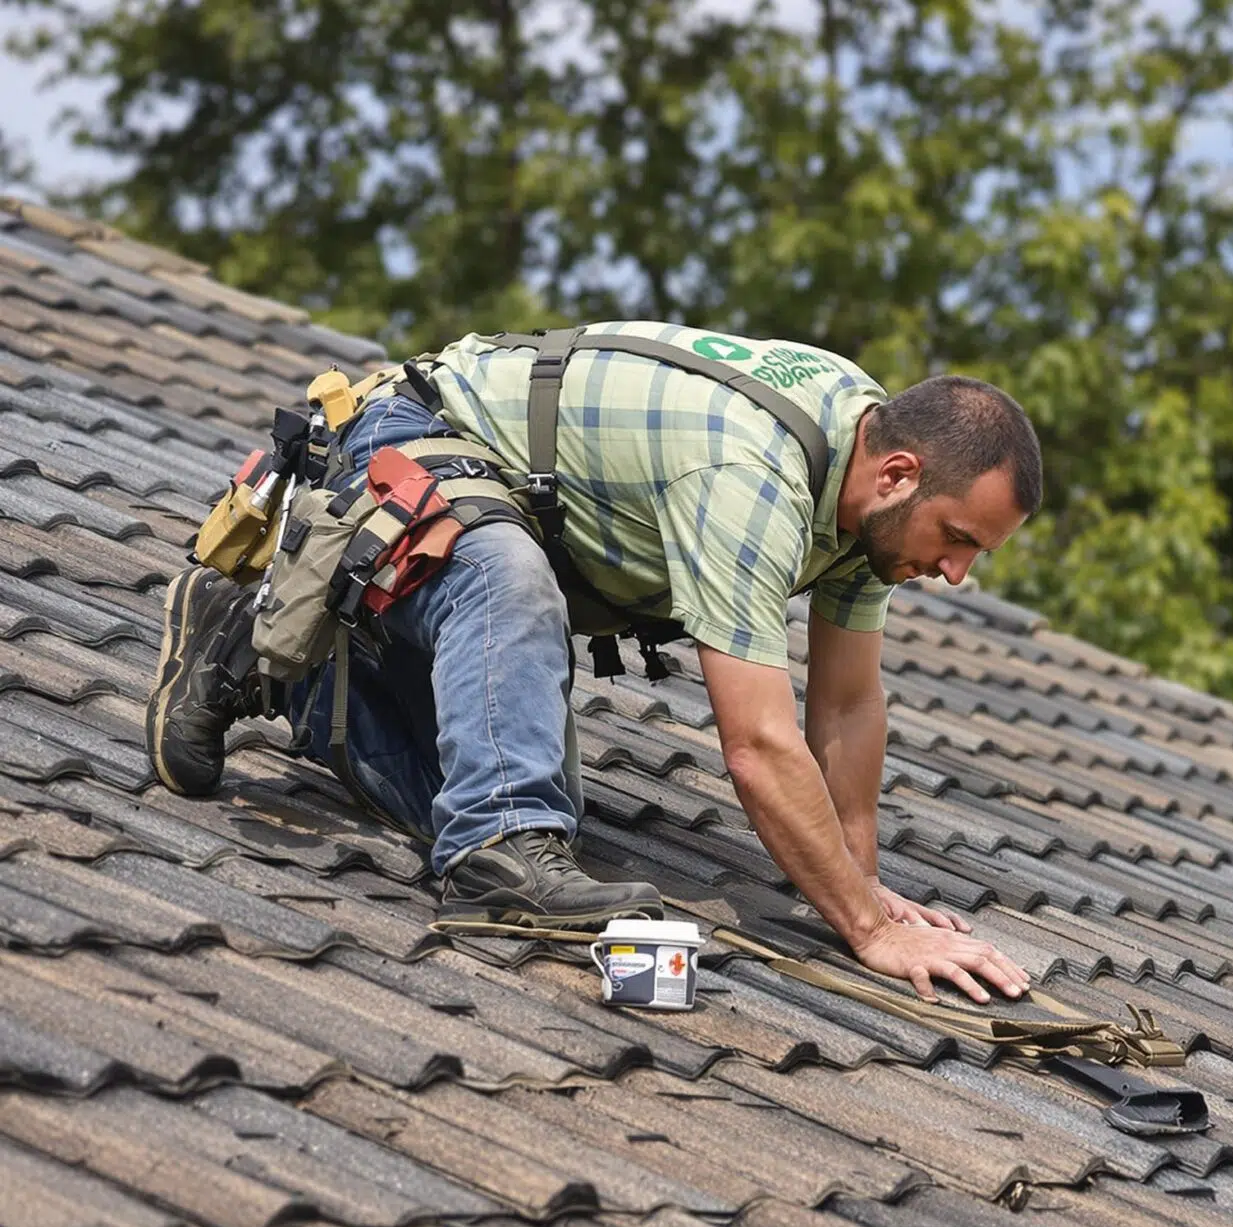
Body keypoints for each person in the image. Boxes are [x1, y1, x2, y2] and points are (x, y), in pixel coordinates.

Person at [146, 321, 1037, 1004]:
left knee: (527, 789)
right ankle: (495, 849)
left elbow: (846, 705)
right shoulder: (752, 474)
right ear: (899, 476)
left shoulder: (869, 483)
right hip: (408, 437)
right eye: (957, 540)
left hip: (498, 501)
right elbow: (759, 746)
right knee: (510, 733)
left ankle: (289, 672)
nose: (955, 574)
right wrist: (872, 934)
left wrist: (865, 883)